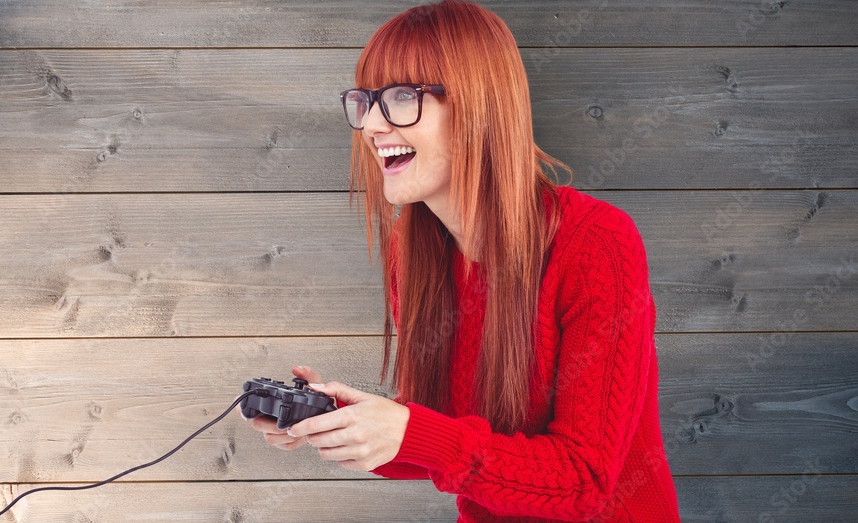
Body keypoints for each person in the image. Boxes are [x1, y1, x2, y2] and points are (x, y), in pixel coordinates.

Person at [244, 1, 681, 520]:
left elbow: (584, 479)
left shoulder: (596, 243)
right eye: (366, 102)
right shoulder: (415, 256)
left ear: (479, 105)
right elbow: (449, 440)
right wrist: (342, 421)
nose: (373, 127)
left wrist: (413, 433)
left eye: (403, 98)